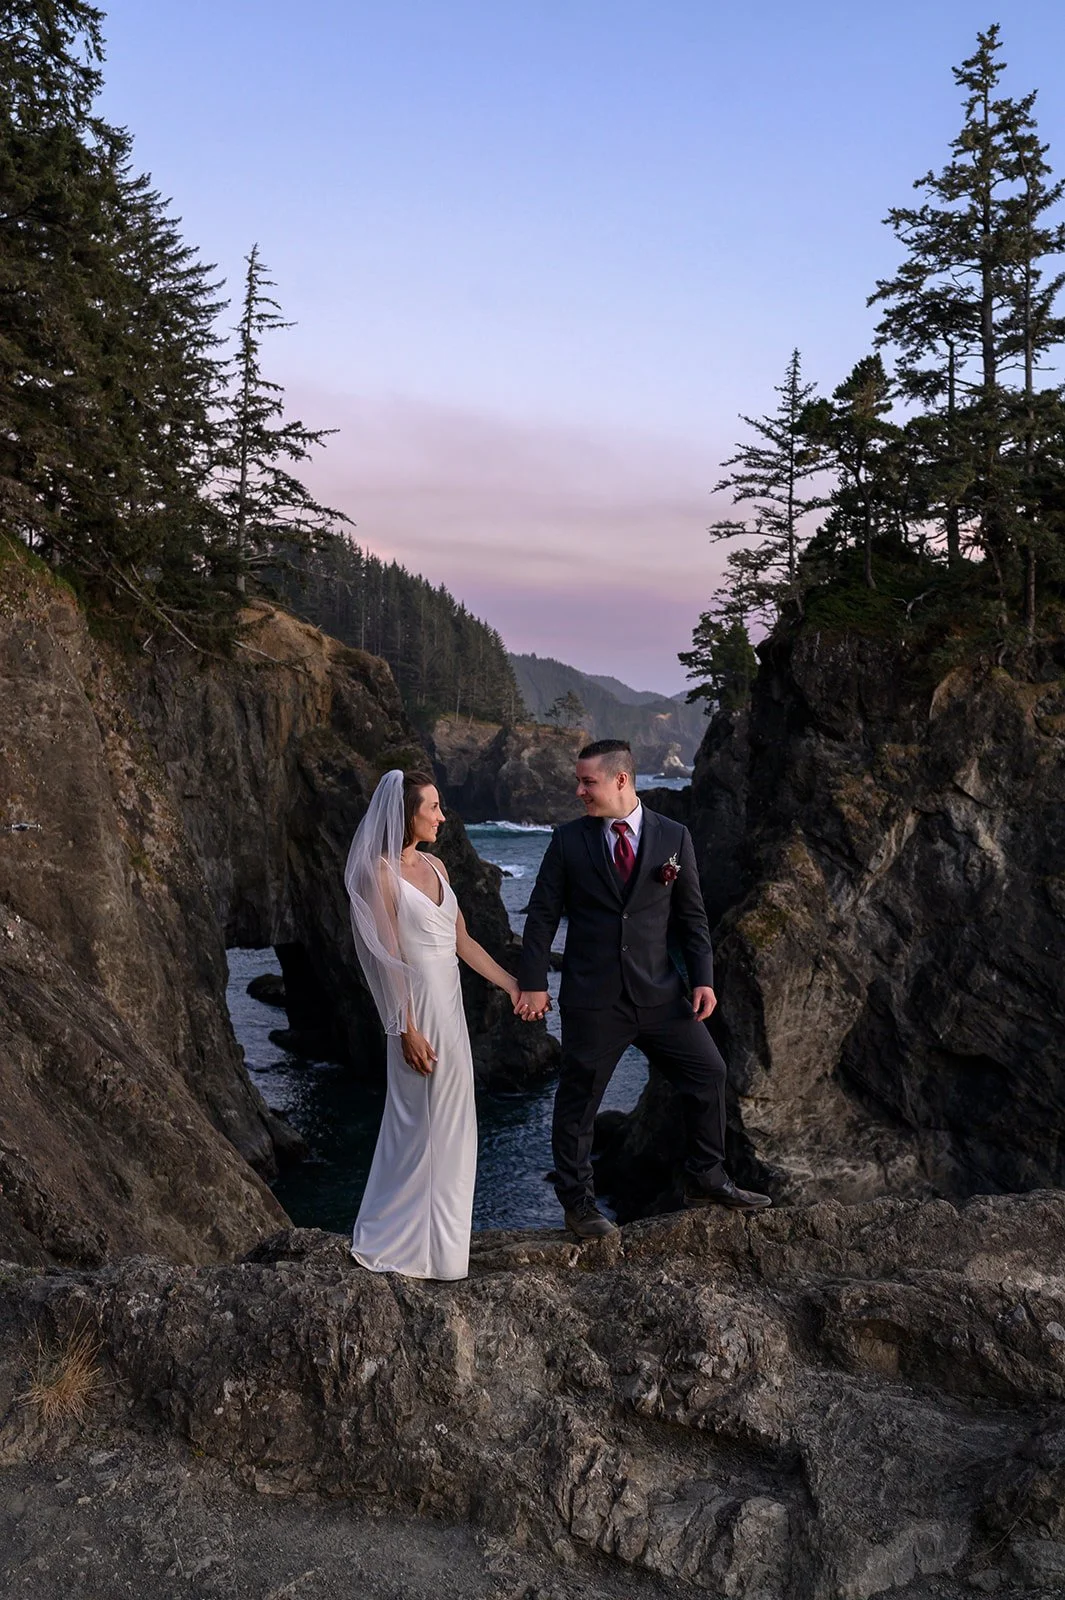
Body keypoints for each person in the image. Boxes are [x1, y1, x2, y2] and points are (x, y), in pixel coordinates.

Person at [515, 739, 771, 1239]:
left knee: (708, 1073)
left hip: (660, 993)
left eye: (587, 782)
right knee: (578, 1104)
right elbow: (542, 917)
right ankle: (579, 1206)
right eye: (579, 781)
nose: (579, 791)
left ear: (620, 780)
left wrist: (703, 978)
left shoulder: (673, 836)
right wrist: (533, 983)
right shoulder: (568, 840)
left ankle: (707, 1178)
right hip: (594, 999)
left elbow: (692, 917)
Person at [346, 768, 521, 1280]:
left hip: (451, 1009)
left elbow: (461, 941)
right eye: (434, 808)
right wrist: (405, 1028)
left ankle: (446, 1255)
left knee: (455, 1129)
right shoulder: (379, 875)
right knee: (415, 1127)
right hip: (416, 1013)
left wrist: (510, 984)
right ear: (408, 816)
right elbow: (387, 958)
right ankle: (398, 1245)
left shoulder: (438, 864)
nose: (443, 816)